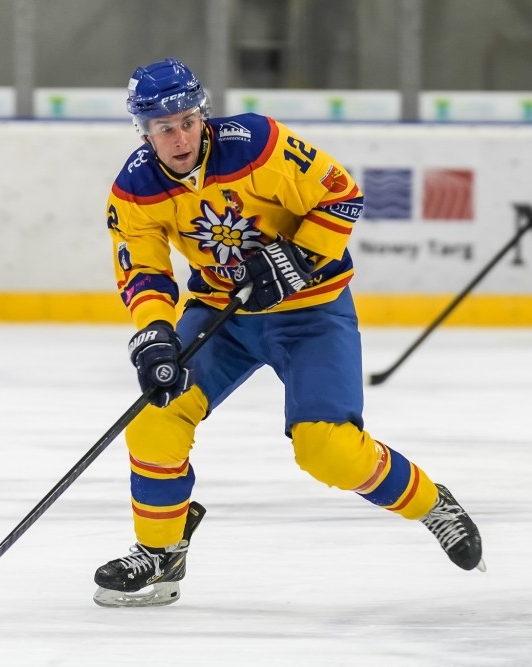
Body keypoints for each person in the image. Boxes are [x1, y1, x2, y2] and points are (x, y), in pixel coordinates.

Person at [94, 57, 484, 608]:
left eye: (187, 121)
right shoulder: (135, 189)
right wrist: (155, 333)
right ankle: (161, 550)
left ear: (203, 114)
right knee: (156, 414)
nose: (179, 138)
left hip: (311, 314)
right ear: (143, 132)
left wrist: (297, 258)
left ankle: (432, 503)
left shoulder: (257, 145)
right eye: (163, 128)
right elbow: (144, 272)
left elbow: (341, 194)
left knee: (325, 449)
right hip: (224, 313)